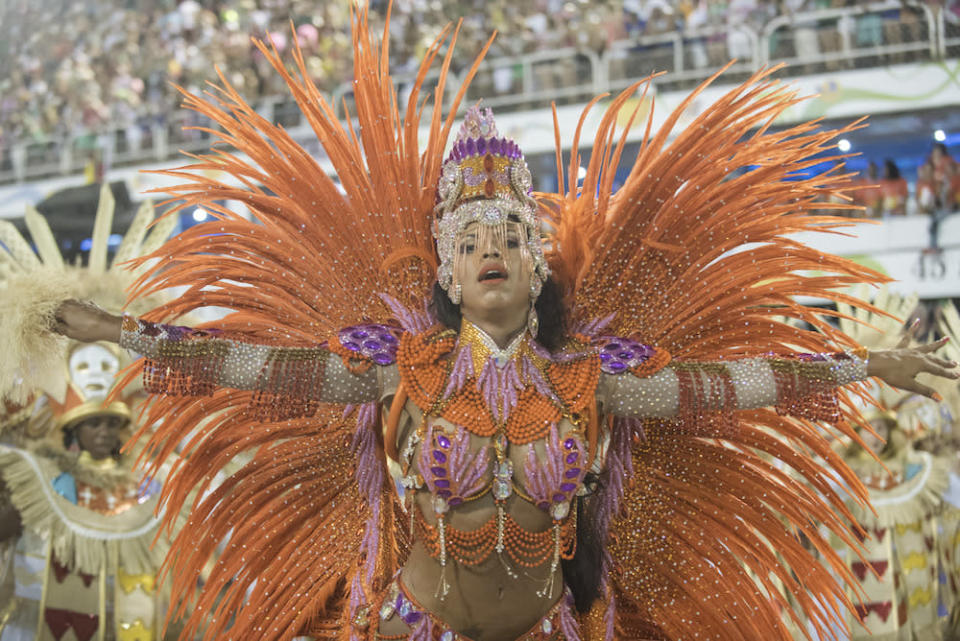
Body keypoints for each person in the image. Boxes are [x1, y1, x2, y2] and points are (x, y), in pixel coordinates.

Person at [18, 8, 960, 641]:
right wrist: (121, 330)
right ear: (449, 270)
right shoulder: (400, 369)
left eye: (513, 231)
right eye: (473, 239)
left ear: (538, 263)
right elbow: (253, 367)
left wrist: (871, 364)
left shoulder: (589, 376)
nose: (495, 247)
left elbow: (725, 386)